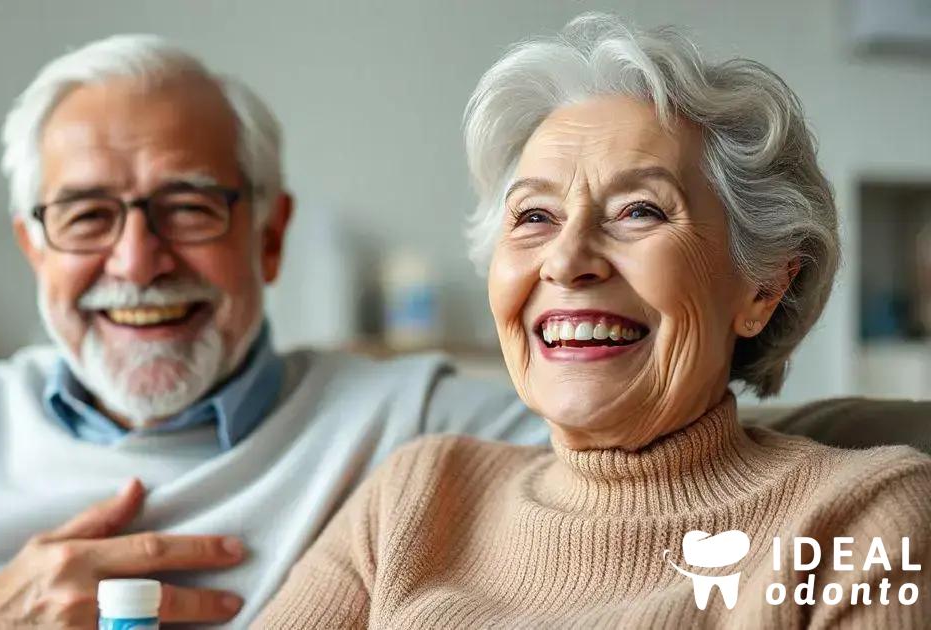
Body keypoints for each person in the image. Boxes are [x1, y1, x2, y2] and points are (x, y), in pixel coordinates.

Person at [0, 35, 549, 629]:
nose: (138, 259)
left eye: (189, 207)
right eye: (87, 215)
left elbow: (662, 472)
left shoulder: (416, 424)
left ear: (268, 236)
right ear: (34, 246)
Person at [256, 14, 931, 629]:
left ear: (762, 288)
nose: (567, 260)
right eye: (534, 217)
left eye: (640, 210)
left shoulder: (863, 523)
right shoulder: (415, 496)